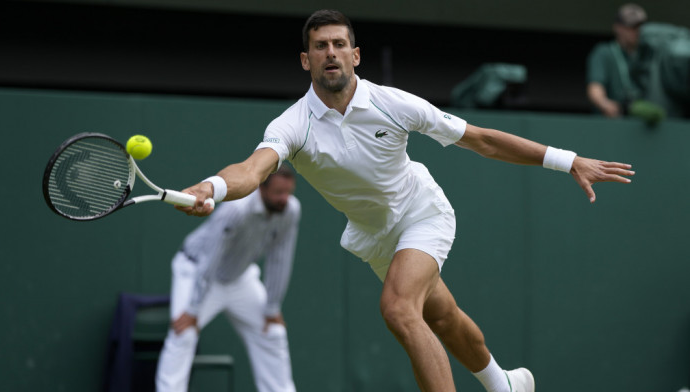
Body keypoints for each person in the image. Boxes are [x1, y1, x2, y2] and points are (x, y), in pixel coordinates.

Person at [177, 10, 634, 392]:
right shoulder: (293, 124)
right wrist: (211, 188)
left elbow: (482, 140)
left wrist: (568, 159)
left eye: (339, 44)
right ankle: (505, 385)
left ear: (355, 55)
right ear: (306, 59)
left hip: (422, 213)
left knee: (398, 307)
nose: (330, 53)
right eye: (320, 46)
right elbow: (253, 170)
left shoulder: (394, 103)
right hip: (376, 236)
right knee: (443, 317)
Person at [156, 164, 300, 392]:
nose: (284, 199)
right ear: (262, 189)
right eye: (278, 193)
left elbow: (280, 258)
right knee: (183, 334)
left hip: (240, 278)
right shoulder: (236, 210)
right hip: (196, 271)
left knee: (273, 332)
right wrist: (193, 308)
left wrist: (272, 307)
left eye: (288, 193)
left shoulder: (290, 211)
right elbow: (211, 258)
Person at [586, 3, 651, 117]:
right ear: (618, 27)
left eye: (640, 27)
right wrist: (605, 104)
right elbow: (595, 89)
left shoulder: (647, 55)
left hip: (639, 123)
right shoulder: (604, 53)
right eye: (631, 27)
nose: (637, 32)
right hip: (609, 124)